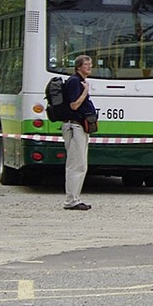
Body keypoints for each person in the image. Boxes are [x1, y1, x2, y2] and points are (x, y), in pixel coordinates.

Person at [61, 54, 95, 211]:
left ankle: (75, 197)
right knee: (76, 164)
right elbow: (74, 105)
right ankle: (71, 200)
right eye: (86, 64)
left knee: (81, 163)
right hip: (74, 126)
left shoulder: (78, 81)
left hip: (79, 127)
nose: (90, 66)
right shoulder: (75, 82)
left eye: (90, 64)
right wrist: (85, 91)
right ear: (78, 67)